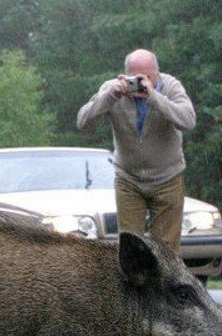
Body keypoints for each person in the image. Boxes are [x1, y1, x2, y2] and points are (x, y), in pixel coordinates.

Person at [77, 48, 196, 253]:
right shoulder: (112, 90)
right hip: (129, 179)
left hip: (168, 177)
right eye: (135, 78)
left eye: (147, 77)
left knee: (166, 251)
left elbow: (188, 121)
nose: (140, 83)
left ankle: (162, 286)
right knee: (130, 247)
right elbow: (83, 122)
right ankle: (130, 285)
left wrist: (154, 97)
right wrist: (110, 96)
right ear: (125, 75)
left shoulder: (171, 86)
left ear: (157, 73)